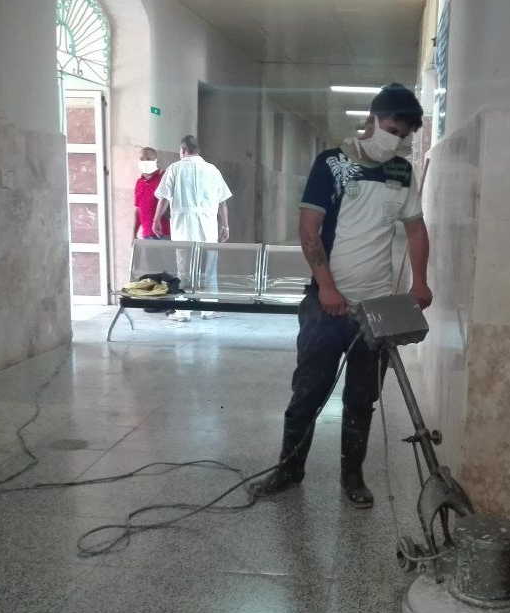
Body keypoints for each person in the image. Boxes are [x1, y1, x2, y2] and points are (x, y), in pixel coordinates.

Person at [250, 83, 432, 509]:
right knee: (309, 393)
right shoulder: (333, 164)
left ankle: (353, 475)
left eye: (405, 133)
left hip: (377, 309)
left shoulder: (401, 172)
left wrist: (419, 281)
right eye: (392, 127)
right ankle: (289, 471)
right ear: (372, 119)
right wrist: (328, 288)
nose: (398, 138)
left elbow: (416, 228)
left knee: (362, 398)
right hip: (326, 306)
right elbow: (309, 229)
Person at [153, 135, 232, 322]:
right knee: (209, 269)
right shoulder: (212, 170)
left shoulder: (174, 169)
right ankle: (208, 309)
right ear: (198, 150)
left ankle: (183, 311)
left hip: (183, 228)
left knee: (184, 270)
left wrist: (156, 220)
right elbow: (223, 202)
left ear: (182, 150)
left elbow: (163, 198)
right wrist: (225, 225)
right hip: (208, 228)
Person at [134, 147, 170, 239]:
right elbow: (138, 210)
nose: (145, 161)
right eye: (142, 159)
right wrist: (134, 235)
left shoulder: (164, 177)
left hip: (164, 234)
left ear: (156, 161)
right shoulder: (139, 182)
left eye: (148, 159)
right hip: (146, 235)